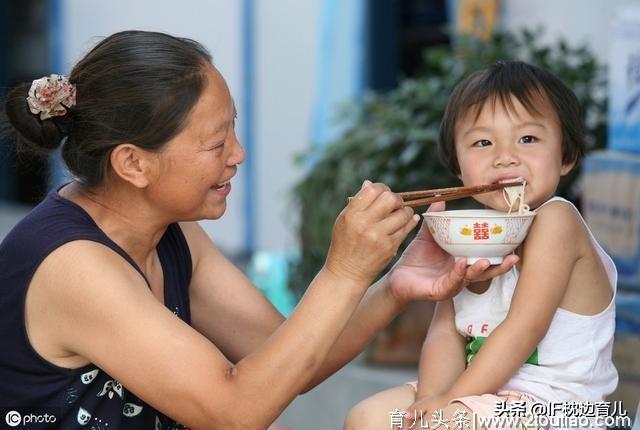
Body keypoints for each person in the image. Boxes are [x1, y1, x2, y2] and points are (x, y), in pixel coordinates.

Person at [0, 31, 516, 429]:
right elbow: (235, 412)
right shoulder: (74, 266)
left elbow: (284, 357)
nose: (238, 155)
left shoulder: (169, 234)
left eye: (234, 130)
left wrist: (393, 286)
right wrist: (342, 269)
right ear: (133, 164)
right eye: (215, 143)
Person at [344, 61, 618, 430]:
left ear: (565, 155)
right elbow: (445, 333)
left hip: (557, 404)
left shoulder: (557, 220)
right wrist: (430, 398)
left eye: (528, 139)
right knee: (368, 419)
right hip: (480, 396)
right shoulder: (469, 232)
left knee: (442, 424)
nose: (505, 156)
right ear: (458, 166)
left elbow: (525, 326)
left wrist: (448, 403)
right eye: (483, 142)